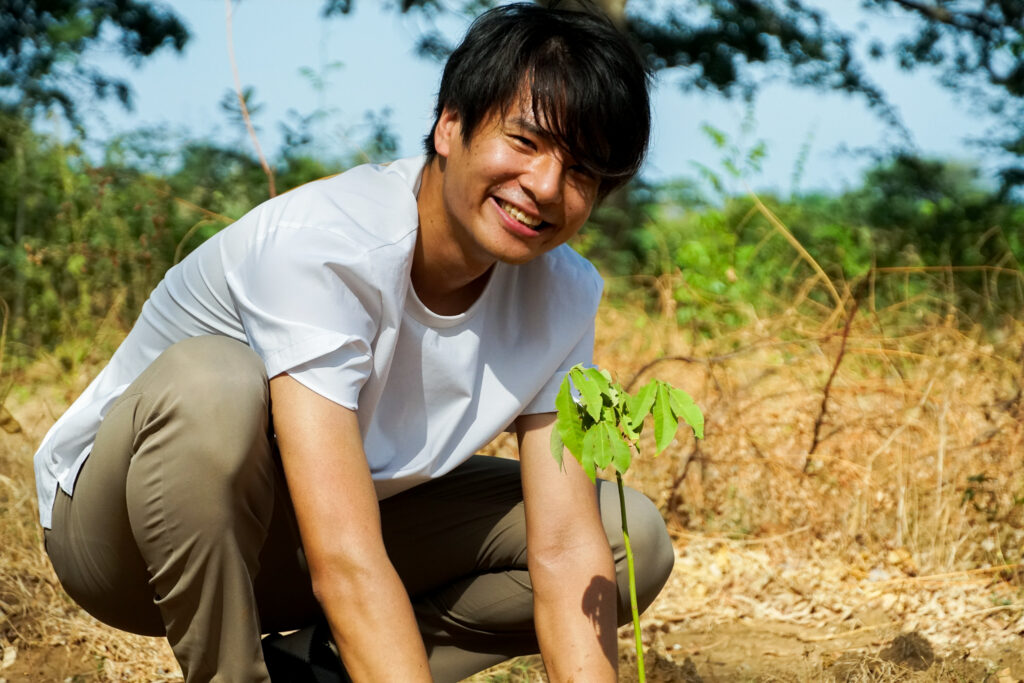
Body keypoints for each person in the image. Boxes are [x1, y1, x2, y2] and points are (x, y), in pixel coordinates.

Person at [33, 3, 674, 681]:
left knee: (627, 536)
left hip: (305, 541)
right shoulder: (327, 244)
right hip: (123, 536)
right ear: (450, 124)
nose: (545, 187)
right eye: (525, 141)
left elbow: (567, 546)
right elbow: (344, 554)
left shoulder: (565, 293)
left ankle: (310, 669)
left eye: (581, 172)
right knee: (212, 382)